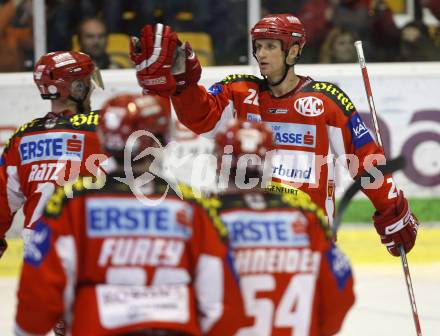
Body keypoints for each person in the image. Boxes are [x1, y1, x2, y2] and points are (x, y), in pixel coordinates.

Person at [128, 16, 420, 258]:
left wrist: (391, 207)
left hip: (307, 240)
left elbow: (366, 160)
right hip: (244, 236)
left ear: (293, 51)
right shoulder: (240, 92)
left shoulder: (325, 102)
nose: (262, 54)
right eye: (258, 47)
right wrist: (183, 81)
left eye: (270, 46)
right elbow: (199, 117)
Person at [14, 94, 246, 336]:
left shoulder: (71, 204)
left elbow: (37, 297)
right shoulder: (192, 207)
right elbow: (221, 303)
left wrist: (26, 330)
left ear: (105, 139)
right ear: (161, 140)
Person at [181, 119, 355, 335]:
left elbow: (192, 298)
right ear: (269, 160)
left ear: (219, 162)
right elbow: (341, 291)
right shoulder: (306, 218)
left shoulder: (206, 218)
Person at [0, 51, 105, 259]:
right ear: (77, 88)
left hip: (38, 255)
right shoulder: (101, 129)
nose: (92, 88)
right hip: (89, 247)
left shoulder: (21, 138)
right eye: (88, 82)